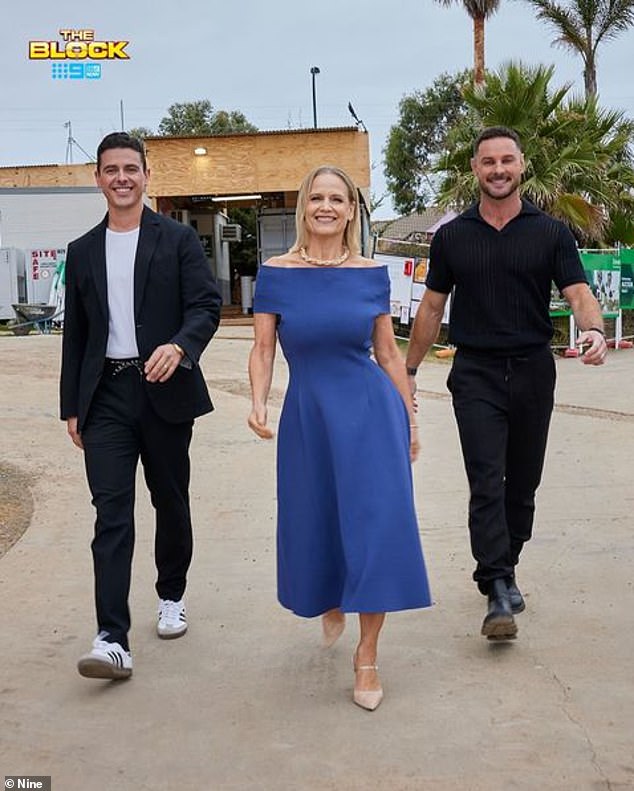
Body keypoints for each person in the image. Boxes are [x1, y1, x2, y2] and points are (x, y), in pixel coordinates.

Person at [406, 126, 606, 641]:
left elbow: (579, 292)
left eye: (507, 161)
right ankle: (495, 583)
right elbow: (431, 307)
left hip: (534, 368)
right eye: (488, 161)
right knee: (484, 477)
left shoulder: (551, 232)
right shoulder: (452, 236)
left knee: (523, 483)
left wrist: (594, 330)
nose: (498, 169)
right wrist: (406, 371)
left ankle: (507, 563)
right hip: (475, 371)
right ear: (475, 169)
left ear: (521, 166)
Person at [247, 165, 432, 711]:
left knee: (377, 527)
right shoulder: (276, 273)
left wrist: (411, 420)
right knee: (318, 519)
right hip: (309, 415)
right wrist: (258, 401)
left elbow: (389, 354)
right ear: (304, 207)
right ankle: (332, 595)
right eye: (317, 198)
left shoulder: (372, 274)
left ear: (352, 210)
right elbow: (263, 349)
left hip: (372, 416)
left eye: (338, 199)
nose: (326, 207)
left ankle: (367, 656)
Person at [60, 132, 221, 679]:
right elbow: (76, 336)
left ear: (147, 175)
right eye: (111, 169)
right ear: (98, 178)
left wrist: (180, 347)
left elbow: (205, 306)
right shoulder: (82, 251)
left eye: (131, 168)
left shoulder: (176, 240)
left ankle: (171, 594)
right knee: (111, 513)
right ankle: (111, 637)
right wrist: (71, 405)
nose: (122, 177)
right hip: (105, 395)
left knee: (170, 499)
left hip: (165, 390)